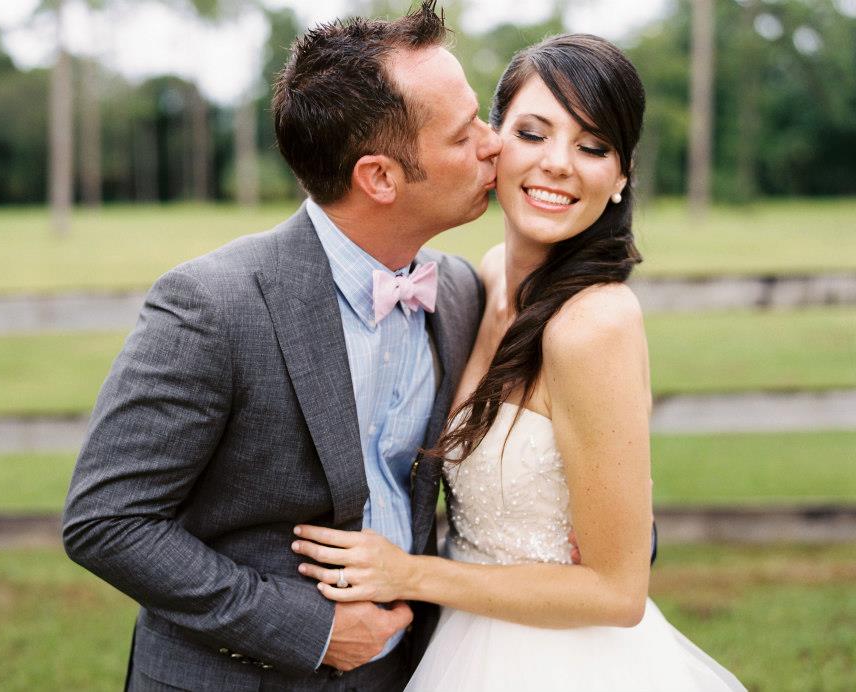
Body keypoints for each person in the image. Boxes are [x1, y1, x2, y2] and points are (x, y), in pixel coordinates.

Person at [62, 2, 501, 690]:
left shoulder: (463, 293)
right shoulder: (213, 305)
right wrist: (312, 629)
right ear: (379, 177)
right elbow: (106, 522)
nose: (494, 142)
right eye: (463, 133)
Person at [290, 34, 747, 691]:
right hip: (464, 638)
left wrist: (408, 573)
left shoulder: (595, 324)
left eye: (593, 147)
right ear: (493, 142)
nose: (560, 164)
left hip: (559, 660)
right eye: (533, 133)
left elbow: (619, 592)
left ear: (620, 178)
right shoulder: (487, 278)